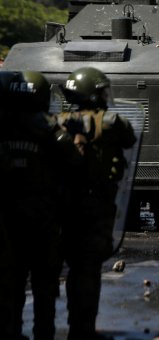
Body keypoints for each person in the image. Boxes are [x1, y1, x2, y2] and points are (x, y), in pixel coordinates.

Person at [0, 71, 80, 340]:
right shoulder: (49, 128)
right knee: (44, 283)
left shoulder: (4, 125)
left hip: (9, 219)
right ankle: (43, 334)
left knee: (11, 280)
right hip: (43, 219)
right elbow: (75, 164)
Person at [58, 67, 136, 340]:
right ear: (93, 94)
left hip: (65, 204)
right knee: (89, 268)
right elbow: (130, 137)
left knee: (72, 266)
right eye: (102, 91)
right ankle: (84, 330)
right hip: (97, 203)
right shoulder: (111, 122)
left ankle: (73, 326)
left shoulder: (58, 121)